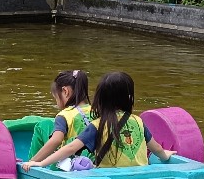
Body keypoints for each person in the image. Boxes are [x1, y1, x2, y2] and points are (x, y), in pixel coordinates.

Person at [23, 71, 174, 169]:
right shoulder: (138, 121)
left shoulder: (97, 125)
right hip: (140, 176)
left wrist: (40, 163)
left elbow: (70, 148)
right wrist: (165, 155)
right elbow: (156, 148)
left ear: (100, 99)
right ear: (129, 97)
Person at [24, 69, 93, 165]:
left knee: (41, 126)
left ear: (65, 91)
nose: (57, 102)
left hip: (71, 163)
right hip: (92, 160)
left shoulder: (64, 115)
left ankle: (31, 166)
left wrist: (33, 161)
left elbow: (56, 140)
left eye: (56, 98)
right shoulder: (96, 111)